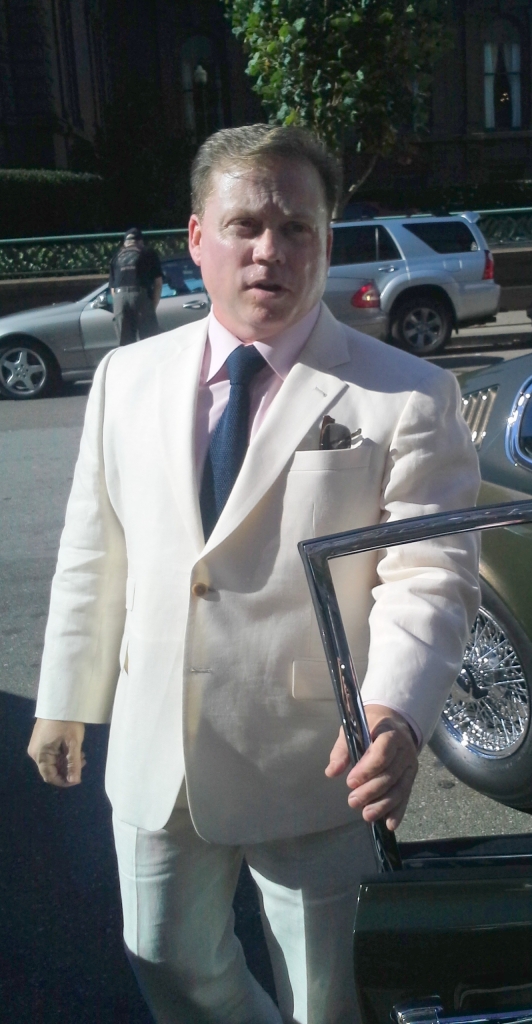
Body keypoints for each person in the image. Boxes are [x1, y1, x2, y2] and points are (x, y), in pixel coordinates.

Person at [27, 125, 480, 1024]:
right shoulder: (126, 378)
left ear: (326, 239)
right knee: (163, 956)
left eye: (296, 228)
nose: (270, 250)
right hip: (159, 747)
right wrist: (64, 698)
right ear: (197, 239)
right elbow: (95, 547)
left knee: (323, 995)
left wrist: (394, 711)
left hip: (317, 757)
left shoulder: (408, 394)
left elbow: (429, 574)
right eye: (245, 225)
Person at [109, 227, 163, 344]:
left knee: (125, 344)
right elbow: (158, 283)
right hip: (140, 296)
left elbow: (113, 290)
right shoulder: (148, 253)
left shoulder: (116, 256)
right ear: (140, 242)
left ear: (125, 243)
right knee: (149, 341)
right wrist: (152, 307)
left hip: (119, 297)